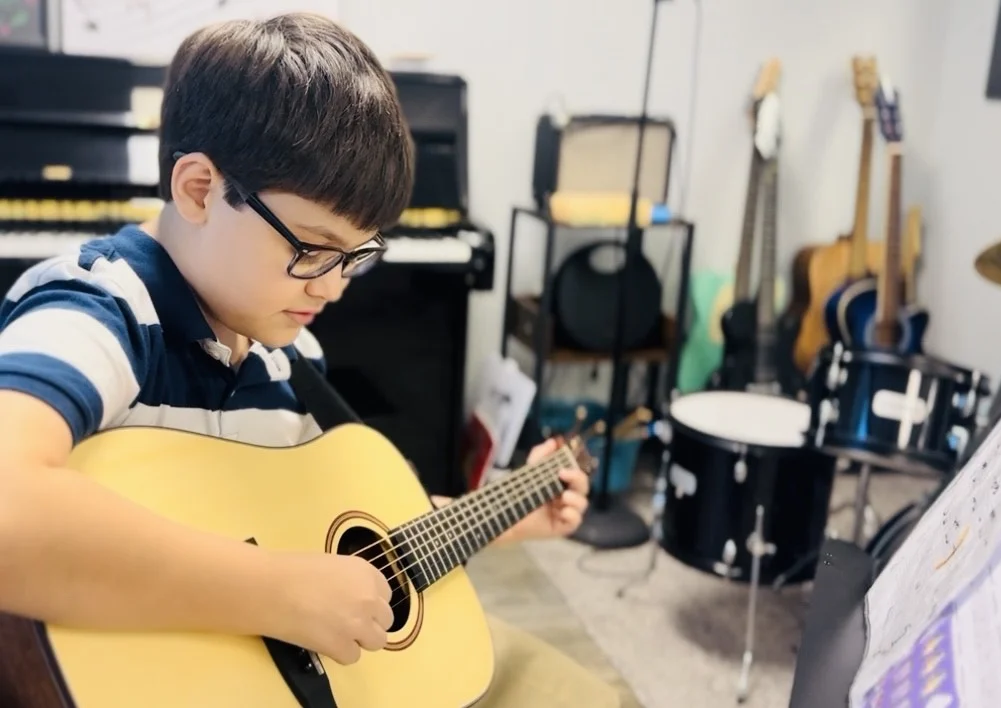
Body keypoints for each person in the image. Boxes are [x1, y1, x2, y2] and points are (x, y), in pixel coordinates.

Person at [0, 12, 621, 708]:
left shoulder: (284, 354)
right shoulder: (101, 309)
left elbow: (328, 535)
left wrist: (502, 511)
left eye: (356, 256)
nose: (330, 287)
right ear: (199, 188)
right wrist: (274, 593)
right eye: (311, 248)